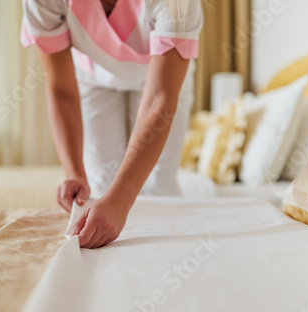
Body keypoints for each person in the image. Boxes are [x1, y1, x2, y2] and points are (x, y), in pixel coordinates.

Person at [21, 0, 203, 248]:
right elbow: (62, 91)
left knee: (159, 186)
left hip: (162, 79)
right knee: (100, 189)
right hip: (94, 78)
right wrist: (74, 171)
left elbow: (159, 99)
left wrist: (123, 199)